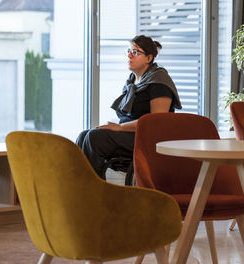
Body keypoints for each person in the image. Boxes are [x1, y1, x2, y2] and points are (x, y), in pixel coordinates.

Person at [76, 35, 181, 179]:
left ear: (149, 58)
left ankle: (95, 192)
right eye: (129, 51)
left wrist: (120, 128)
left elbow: (156, 123)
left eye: (136, 52)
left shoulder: (159, 81)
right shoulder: (132, 82)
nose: (130, 55)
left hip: (148, 139)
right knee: (83, 135)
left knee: (95, 138)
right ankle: (79, 187)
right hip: (130, 134)